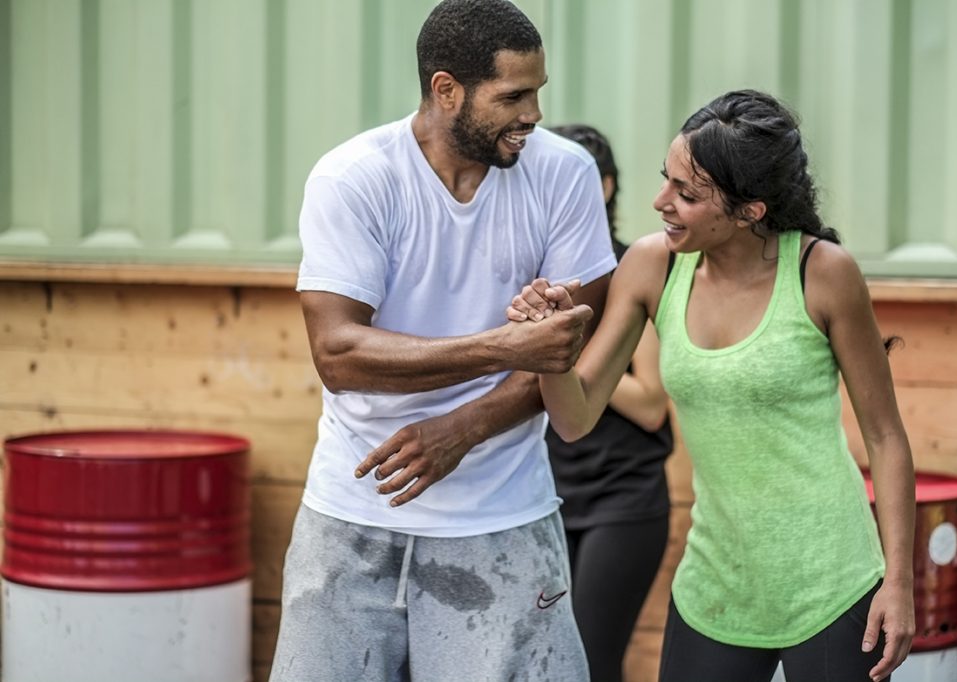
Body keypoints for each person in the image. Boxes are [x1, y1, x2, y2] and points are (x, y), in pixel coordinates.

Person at [507, 90, 916, 682]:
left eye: (687, 194)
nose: (660, 202)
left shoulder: (824, 273)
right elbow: (575, 418)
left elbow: (885, 437)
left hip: (831, 579)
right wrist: (547, 345)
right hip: (716, 585)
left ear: (750, 210)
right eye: (665, 180)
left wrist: (899, 581)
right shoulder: (652, 266)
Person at [268, 1, 617, 680]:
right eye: (512, 96)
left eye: (538, 92)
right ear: (446, 89)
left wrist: (465, 426)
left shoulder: (566, 172)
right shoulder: (354, 177)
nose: (534, 114)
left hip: (504, 517)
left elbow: (564, 345)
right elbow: (338, 354)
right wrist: (501, 347)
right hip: (351, 514)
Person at [545, 124, 674, 682]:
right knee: (545, 661)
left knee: (591, 663)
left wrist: (562, 353)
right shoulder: (536, 275)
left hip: (621, 497)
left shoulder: (629, 270)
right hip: (545, 495)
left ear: (603, 187)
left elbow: (650, 403)